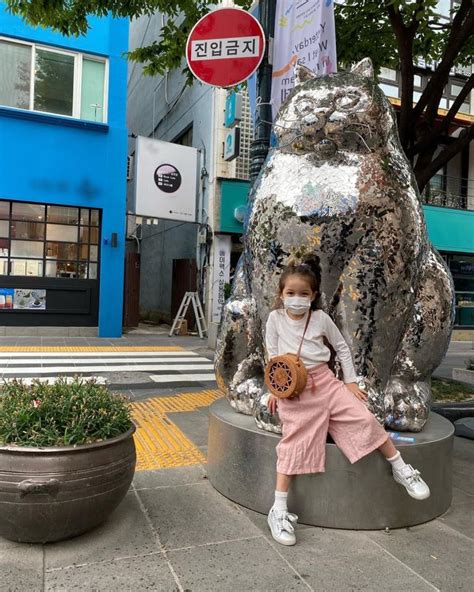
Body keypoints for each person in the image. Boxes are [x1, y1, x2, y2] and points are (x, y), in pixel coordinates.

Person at [265, 261, 430, 546]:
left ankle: (401, 468)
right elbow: (272, 354)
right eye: (291, 292)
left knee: (364, 419)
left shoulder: (319, 319)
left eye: (304, 293)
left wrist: (350, 382)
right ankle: (278, 509)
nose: (297, 298)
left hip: (326, 383)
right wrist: (274, 389)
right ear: (281, 293)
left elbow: (341, 347)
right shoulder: (275, 319)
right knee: (293, 442)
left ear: (313, 295)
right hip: (293, 389)